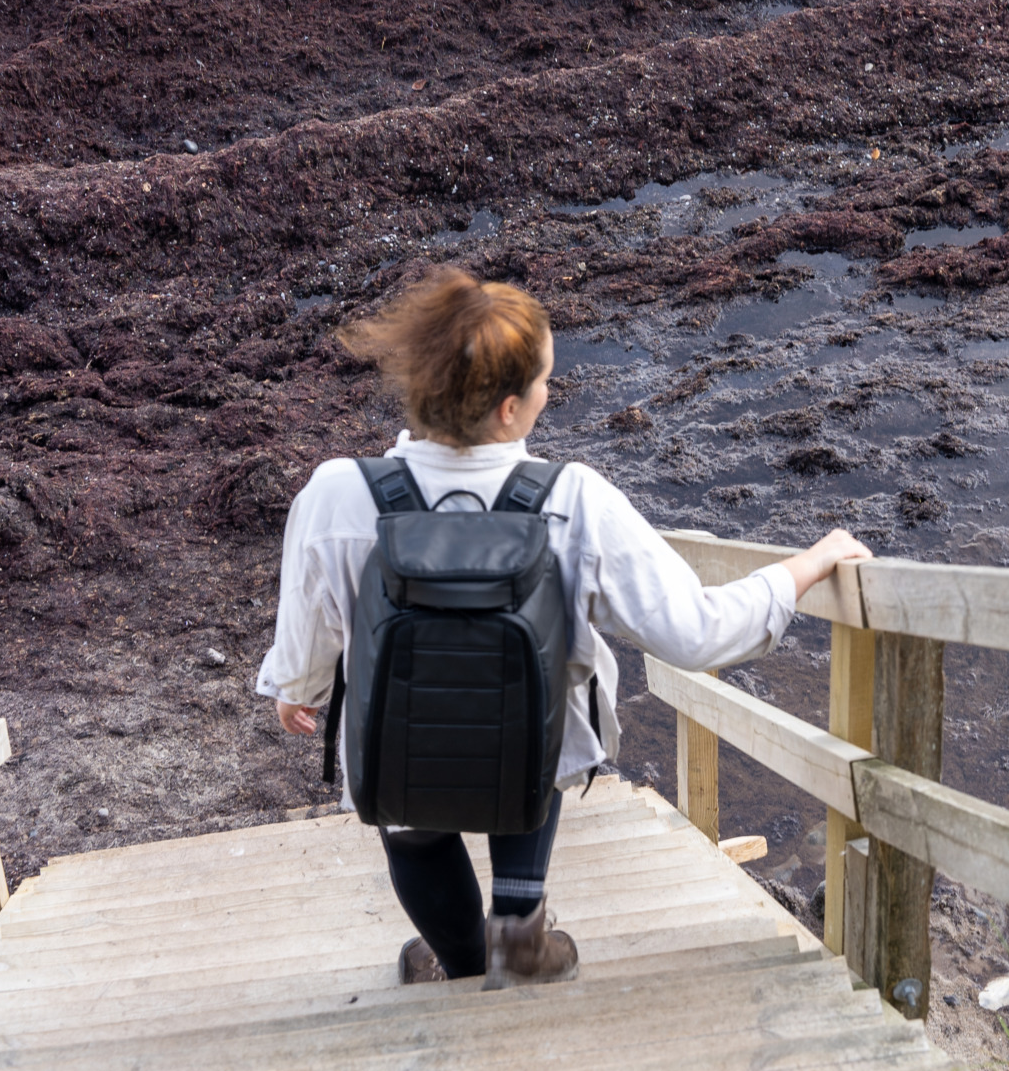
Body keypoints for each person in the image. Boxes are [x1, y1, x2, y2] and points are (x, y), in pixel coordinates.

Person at [256, 267, 871, 987]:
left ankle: (458, 967)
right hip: (529, 750)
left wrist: (294, 686)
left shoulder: (337, 491)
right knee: (533, 741)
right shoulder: (571, 499)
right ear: (511, 411)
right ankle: (519, 939)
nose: (552, 392)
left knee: (412, 826)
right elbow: (693, 632)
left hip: (397, 743)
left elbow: (307, 616)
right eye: (547, 380)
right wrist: (806, 565)